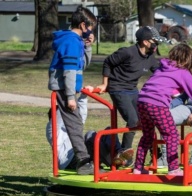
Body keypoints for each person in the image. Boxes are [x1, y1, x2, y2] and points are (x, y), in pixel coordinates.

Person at [133, 43, 192, 176]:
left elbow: (156, 88)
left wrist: (143, 117)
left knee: (147, 136)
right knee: (172, 135)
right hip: (157, 105)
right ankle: (174, 169)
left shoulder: (162, 68)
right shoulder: (183, 73)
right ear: (189, 60)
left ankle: (138, 168)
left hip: (141, 102)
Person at [96, 26, 163, 167]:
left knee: (145, 118)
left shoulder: (150, 57)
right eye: (155, 41)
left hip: (132, 90)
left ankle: (154, 154)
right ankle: (124, 152)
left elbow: (159, 73)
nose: (157, 45)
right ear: (145, 42)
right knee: (133, 119)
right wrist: (104, 84)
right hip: (118, 88)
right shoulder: (127, 52)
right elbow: (108, 62)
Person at [47, 5, 97, 175]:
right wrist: (70, 97)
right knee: (74, 125)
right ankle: (83, 162)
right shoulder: (71, 41)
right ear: (83, 26)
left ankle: (83, 159)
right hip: (63, 89)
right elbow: (68, 70)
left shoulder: (76, 42)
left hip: (67, 89)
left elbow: (82, 65)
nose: (91, 32)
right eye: (90, 28)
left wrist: (88, 47)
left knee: (74, 124)